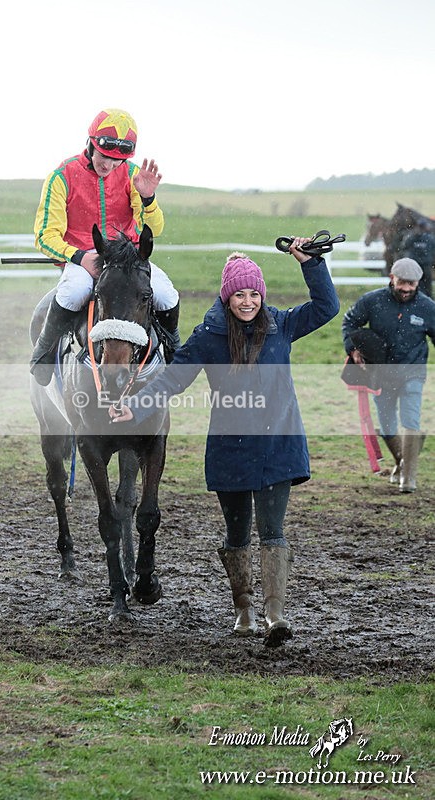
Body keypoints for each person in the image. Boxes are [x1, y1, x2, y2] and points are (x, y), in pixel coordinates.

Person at [109, 239, 340, 647]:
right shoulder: (210, 337)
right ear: (227, 296)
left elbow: (326, 306)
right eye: (240, 294)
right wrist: (136, 406)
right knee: (237, 535)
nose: (248, 301)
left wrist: (311, 264)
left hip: (278, 446)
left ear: (262, 295)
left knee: (273, 531)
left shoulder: (282, 324)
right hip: (231, 448)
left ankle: (275, 616)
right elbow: (173, 378)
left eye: (254, 293)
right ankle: (244, 612)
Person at [30, 108, 180, 385]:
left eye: (117, 160)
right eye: (105, 156)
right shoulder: (61, 176)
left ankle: (173, 352)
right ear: (90, 144)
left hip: (129, 261)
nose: (109, 165)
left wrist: (148, 199)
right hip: (82, 259)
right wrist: (78, 256)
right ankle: (44, 352)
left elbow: (155, 229)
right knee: (74, 291)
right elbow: (44, 235)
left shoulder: (134, 175)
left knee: (166, 295)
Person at [343, 257, 435, 492]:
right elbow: (350, 322)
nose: (406, 289)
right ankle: (402, 463)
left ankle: (409, 478)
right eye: (402, 282)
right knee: (386, 425)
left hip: (413, 371)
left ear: (418, 283)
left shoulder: (427, 307)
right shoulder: (371, 301)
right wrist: (352, 349)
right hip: (380, 372)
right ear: (392, 278)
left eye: (411, 284)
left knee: (410, 419)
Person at [401, 220, 435, 298]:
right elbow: (405, 246)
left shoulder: (429, 238)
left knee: (426, 285)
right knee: (415, 283)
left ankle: (427, 299)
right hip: (415, 266)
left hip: (425, 265)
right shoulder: (413, 237)